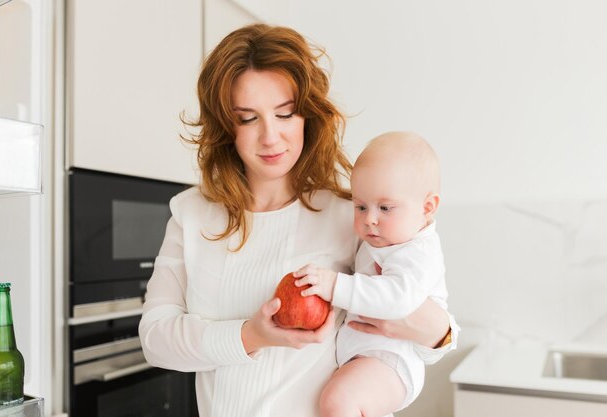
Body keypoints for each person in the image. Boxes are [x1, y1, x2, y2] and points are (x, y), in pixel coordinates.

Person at [138, 24, 456, 417]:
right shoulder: (190, 213)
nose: (270, 137)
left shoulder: (352, 214)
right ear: (226, 127)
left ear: (307, 115)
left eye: (284, 113)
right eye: (248, 118)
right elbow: (155, 340)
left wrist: (440, 334)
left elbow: (418, 334)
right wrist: (252, 335)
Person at [293, 131, 456, 417]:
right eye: (361, 206)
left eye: (384, 207)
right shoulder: (385, 240)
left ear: (427, 208)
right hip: (366, 356)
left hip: (390, 360)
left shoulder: (418, 250)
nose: (370, 218)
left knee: (339, 402)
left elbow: (398, 300)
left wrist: (333, 285)